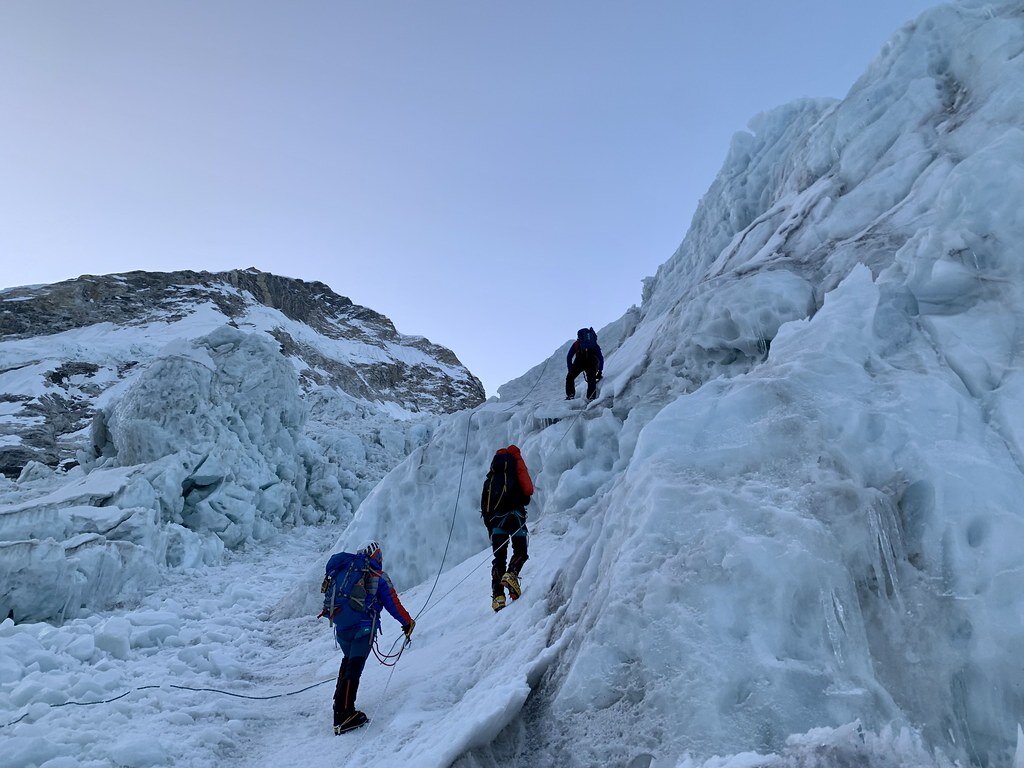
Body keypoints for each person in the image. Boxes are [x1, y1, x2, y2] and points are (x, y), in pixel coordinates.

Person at [319, 541, 415, 734]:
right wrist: (407, 623)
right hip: (363, 629)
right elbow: (393, 604)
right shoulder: (378, 576)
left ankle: (339, 708)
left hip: (342, 627)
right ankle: (345, 715)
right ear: (377, 557)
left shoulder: (345, 572)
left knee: (347, 663)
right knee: (354, 668)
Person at [480, 445, 534, 612]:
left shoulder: (491, 479)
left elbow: (485, 506)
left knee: (499, 559)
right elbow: (528, 492)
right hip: (515, 518)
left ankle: (498, 597)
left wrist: (491, 526)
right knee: (520, 552)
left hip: (496, 522)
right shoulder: (515, 473)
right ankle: (512, 573)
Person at [566, 327, 604, 401]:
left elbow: (569, 357)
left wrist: (570, 369)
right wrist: (600, 371)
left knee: (570, 378)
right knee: (591, 379)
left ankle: (570, 395)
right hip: (592, 362)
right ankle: (591, 397)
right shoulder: (594, 344)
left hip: (579, 362)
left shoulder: (577, 344)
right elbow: (600, 358)